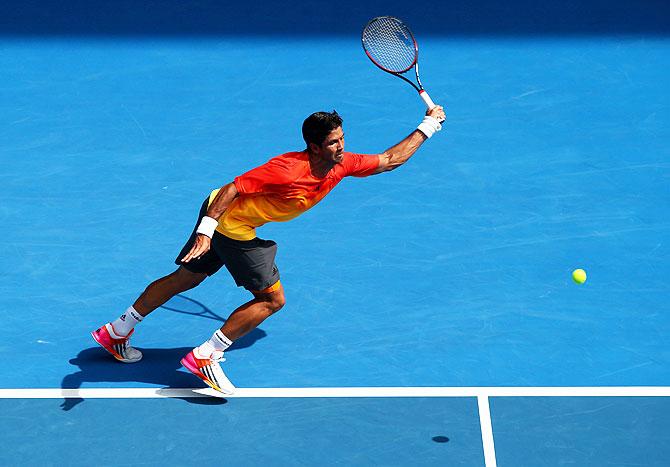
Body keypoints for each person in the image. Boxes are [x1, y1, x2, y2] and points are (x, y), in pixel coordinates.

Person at [92, 105, 446, 394]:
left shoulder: (343, 165)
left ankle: (116, 331)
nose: (342, 146)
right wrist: (206, 231)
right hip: (230, 224)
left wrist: (428, 125)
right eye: (334, 142)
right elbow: (233, 188)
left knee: (185, 278)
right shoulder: (286, 170)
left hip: (223, 215)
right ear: (315, 146)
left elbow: (390, 160)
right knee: (272, 300)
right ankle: (206, 356)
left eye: (342, 139)